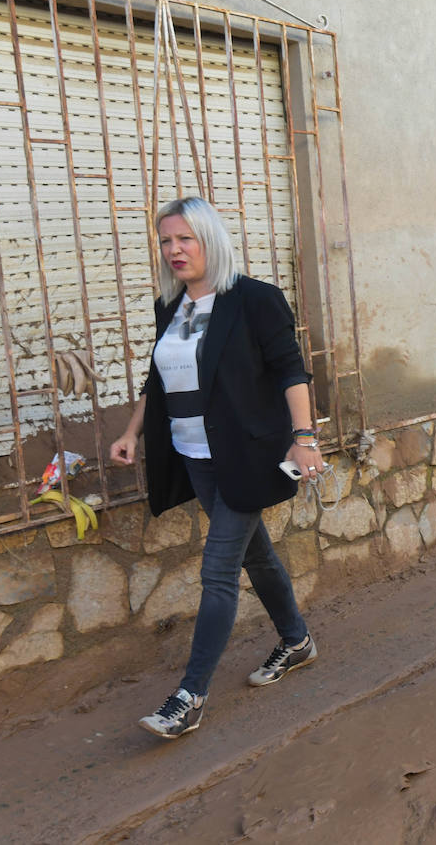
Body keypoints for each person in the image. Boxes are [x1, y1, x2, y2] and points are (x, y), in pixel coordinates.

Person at [110, 196, 322, 740]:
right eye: (166, 241)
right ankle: (296, 640)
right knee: (257, 552)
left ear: (210, 239)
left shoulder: (254, 299)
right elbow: (158, 381)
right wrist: (133, 432)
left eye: (185, 238)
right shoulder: (171, 305)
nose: (175, 250)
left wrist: (304, 438)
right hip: (193, 456)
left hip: (247, 456)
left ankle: (190, 696)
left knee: (218, 570)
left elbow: (290, 371)